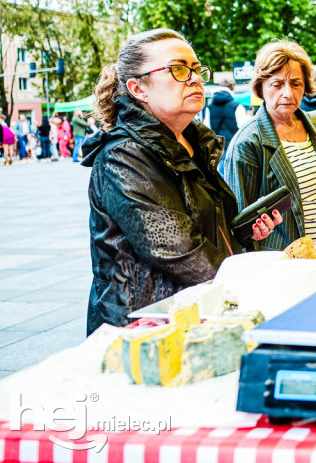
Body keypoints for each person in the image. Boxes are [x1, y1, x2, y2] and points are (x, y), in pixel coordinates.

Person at [81, 28, 281, 334]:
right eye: (178, 69)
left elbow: (204, 229)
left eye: (197, 68)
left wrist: (242, 233)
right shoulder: (124, 156)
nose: (195, 78)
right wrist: (254, 287)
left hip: (195, 312)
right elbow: (181, 253)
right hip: (145, 327)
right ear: (138, 89)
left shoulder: (195, 143)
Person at [224, 41, 316, 251]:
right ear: (261, 86)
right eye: (277, 84)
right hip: (285, 264)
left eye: (296, 83)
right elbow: (237, 225)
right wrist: (255, 230)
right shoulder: (247, 143)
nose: (288, 93)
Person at [204, 77, 248, 149]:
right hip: (234, 147)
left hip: (217, 148)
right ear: (232, 89)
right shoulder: (237, 106)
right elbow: (243, 128)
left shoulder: (209, 107)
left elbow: (207, 128)